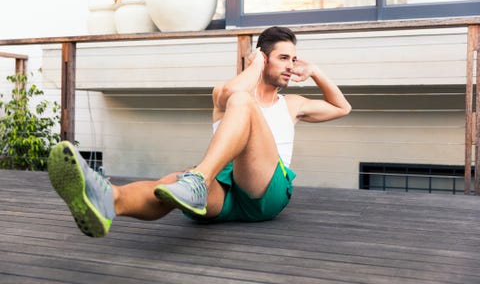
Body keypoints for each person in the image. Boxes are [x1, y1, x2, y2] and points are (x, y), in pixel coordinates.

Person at [47, 26, 351, 238]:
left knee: (193, 175)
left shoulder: (293, 104)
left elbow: (342, 108)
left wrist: (315, 71)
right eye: (283, 58)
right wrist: (255, 65)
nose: (290, 65)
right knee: (170, 185)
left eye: (293, 59)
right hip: (224, 188)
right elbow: (235, 92)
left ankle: (197, 179)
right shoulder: (225, 94)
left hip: (266, 193)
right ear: (262, 58)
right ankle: (109, 200)